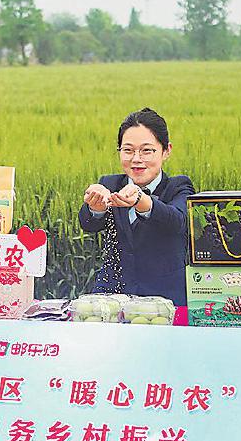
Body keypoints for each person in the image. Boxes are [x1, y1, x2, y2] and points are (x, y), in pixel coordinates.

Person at [79, 107, 194, 305]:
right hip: (113, 298)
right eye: (128, 150)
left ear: (166, 151)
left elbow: (178, 221)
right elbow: (88, 224)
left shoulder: (179, 186)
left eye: (147, 150)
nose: (136, 159)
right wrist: (96, 208)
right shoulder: (110, 184)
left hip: (165, 302)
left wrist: (142, 201)